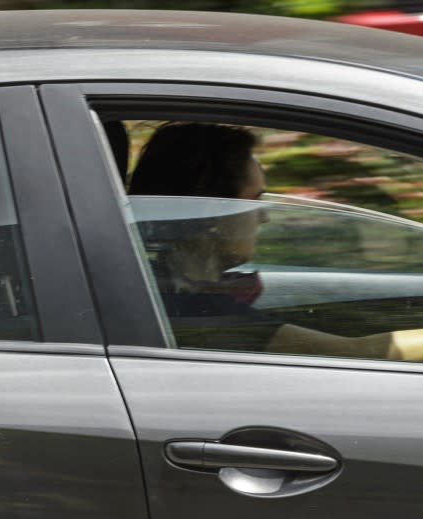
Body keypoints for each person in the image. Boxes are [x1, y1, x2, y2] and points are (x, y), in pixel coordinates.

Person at [130, 122, 423, 361]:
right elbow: (357, 353)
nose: (264, 218)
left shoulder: (159, 290)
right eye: (254, 201)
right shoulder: (190, 309)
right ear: (213, 213)